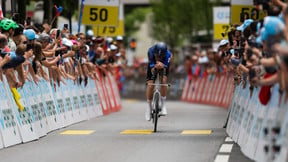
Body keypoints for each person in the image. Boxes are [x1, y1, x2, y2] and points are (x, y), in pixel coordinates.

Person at [145, 42, 172, 121]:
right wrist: (155, 66)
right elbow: (152, 67)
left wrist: (162, 65)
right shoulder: (150, 51)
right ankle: (149, 107)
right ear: (154, 53)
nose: (159, 57)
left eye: (161, 56)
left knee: (163, 82)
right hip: (153, 64)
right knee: (150, 85)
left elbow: (166, 66)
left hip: (164, 65)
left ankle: (163, 105)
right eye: (157, 56)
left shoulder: (168, 54)